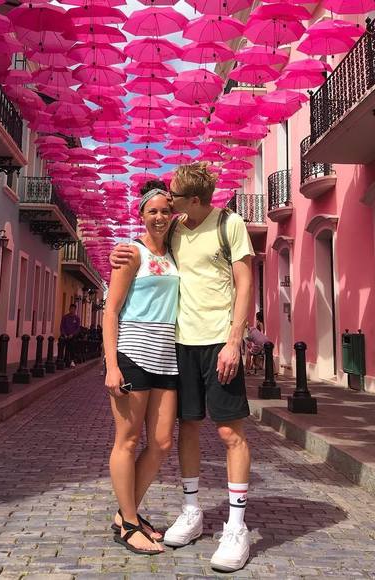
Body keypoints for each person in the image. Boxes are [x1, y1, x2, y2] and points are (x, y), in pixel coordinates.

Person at [111, 163, 254, 572]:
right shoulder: (174, 229)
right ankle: (190, 512)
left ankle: (236, 527)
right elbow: (144, 251)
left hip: (218, 342)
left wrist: (234, 340)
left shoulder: (229, 224)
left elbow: (245, 282)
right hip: (180, 345)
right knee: (186, 427)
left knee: (228, 432)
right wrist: (121, 251)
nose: (166, 204)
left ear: (193, 199)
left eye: (171, 197)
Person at [103, 187, 179, 555]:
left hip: (168, 357)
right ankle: (130, 525)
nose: (160, 217)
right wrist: (111, 365)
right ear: (141, 216)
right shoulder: (132, 253)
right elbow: (111, 310)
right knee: (128, 440)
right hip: (134, 352)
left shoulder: (176, 251)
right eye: (153, 211)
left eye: (165, 210)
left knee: (162, 443)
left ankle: (125, 513)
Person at [60, 304, 80, 368]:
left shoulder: (77, 318)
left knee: (72, 347)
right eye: (71, 309)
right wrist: (64, 334)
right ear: (69, 309)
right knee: (64, 346)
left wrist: (73, 334)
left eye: (73, 309)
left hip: (72, 336)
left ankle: (72, 361)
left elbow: (77, 328)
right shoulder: (65, 317)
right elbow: (62, 326)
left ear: (75, 310)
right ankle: (63, 360)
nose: (72, 310)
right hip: (65, 336)